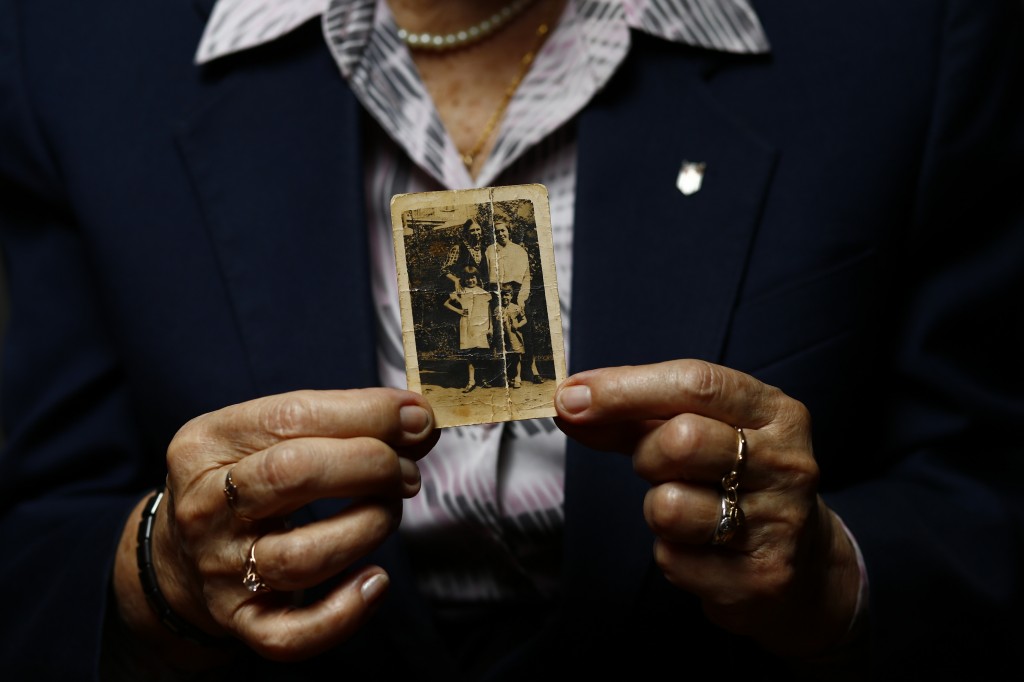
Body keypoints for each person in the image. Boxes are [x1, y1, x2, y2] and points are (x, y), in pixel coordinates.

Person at [1, 0, 1022, 680]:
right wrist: (156, 572)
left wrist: (835, 574)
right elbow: (37, 535)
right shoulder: (69, 45)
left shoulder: (907, 33)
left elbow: (985, 495)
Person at [442, 266, 494, 392]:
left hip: (481, 326)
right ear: (464, 279)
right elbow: (446, 303)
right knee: (471, 354)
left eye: (473, 277)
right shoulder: (461, 291)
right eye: (467, 278)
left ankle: (483, 378)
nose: (470, 280)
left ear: (477, 278)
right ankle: (471, 381)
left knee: (482, 353)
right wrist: (459, 311)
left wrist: (491, 327)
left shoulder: (484, 293)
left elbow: (489, 311)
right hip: (467, 324)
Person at [484, 220, 531, 306]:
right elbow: (486, 275)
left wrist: (522, 298)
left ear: (508, 231)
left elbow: (526, 277)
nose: (500, 234)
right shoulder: (490, 250)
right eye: (497, 232)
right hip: (495, 294)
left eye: (503, 230)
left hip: (515, 295)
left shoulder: (520, 251)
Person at [495, 283, 528, 388]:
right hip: (504, 337)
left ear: (511, 296)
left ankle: (518, 377)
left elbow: (524, 320)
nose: (504, 297)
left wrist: (517, 325)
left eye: (507, 295)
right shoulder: (497, 309)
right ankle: (508, 377)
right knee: (506, 356)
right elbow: (496, 323)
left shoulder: (516, 308)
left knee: (517, 356)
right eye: (502, 295)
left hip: (514, 335)